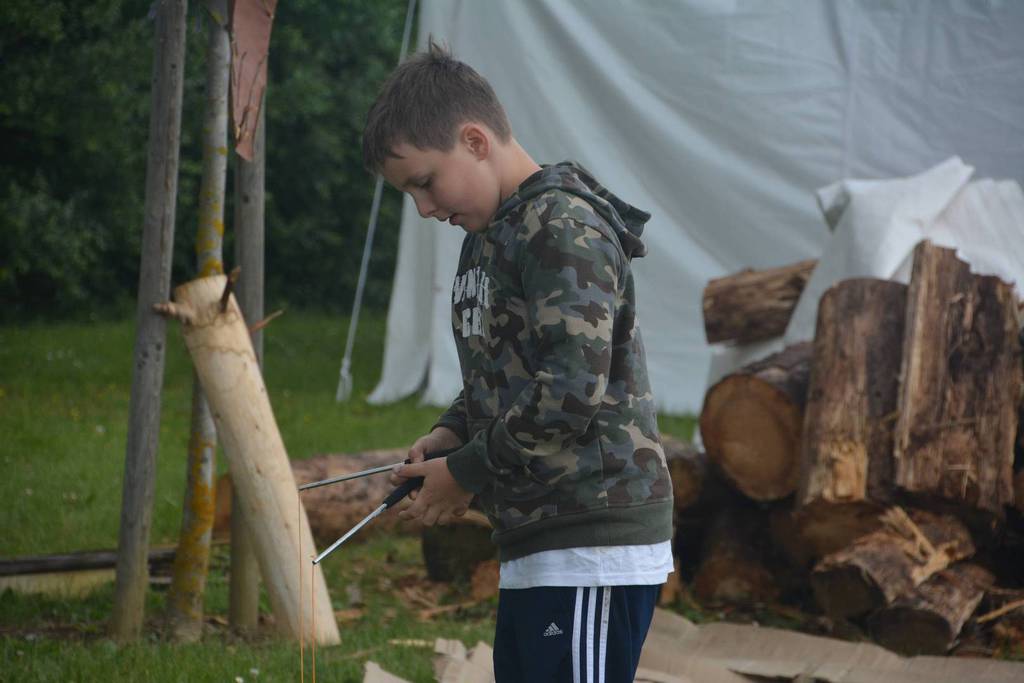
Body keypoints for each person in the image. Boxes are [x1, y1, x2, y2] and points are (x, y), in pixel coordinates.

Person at [363, 41, 674, 682]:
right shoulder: (488, 236)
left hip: (591, 536)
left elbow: (570, 389)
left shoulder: (560, 226)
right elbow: (503, 367)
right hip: (540, 537)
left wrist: (467, 472)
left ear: (475, 141)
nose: (424, 208)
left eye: (425, 182)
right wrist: (454, 431)